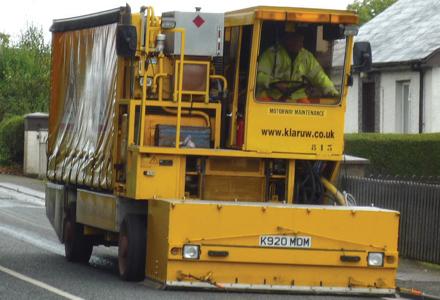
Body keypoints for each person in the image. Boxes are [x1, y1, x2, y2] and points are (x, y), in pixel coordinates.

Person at [256, 31, 339, 102]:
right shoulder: (271, 54)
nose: (300, 44)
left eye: (301, 40)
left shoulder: (306, 57)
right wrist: (275, 83)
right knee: (260, 103)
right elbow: (260, 76)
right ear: (287, 40)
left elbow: (319, 76)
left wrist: (333, 92)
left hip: (297, 98)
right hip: (272, 96)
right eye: (296, 40)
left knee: (311, 117)